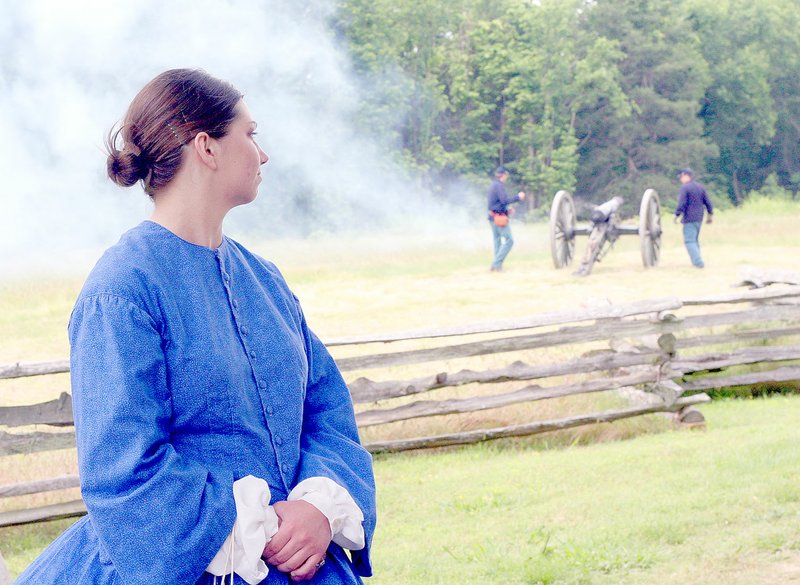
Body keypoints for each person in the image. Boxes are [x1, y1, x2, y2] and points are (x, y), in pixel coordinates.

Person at [16, 69, 376, 585]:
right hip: (190, 564)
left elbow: (326, 412)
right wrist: (257, 529)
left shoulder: (266, 281)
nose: (262, 154)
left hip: (304, 565)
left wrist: (318, 509)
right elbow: (124, 467)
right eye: (249, 135)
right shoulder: (122, 290)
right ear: (206, 147)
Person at [487, 166, 525, 272]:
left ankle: (498, 267)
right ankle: (496, 264)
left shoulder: (493, 185)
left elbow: (496, 203)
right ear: (503, 175)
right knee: (509, 241)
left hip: (492, 216)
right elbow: (504, 200)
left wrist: (507, 211)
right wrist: (518, 197)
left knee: (497, 241)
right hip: (499, 218)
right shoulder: (499, 186)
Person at [674, 168, 713, 268]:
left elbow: (682, 203)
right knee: (695, 240)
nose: (681, 179)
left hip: (689, 218)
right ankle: (697, 260)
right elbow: (708, 203)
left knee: (689, 241)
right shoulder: (700, 187)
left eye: (681, 177)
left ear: (687, 176)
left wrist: (677, 214)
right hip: (699, 217)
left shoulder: (685, 188)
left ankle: (698, 263)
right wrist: (710, 214)